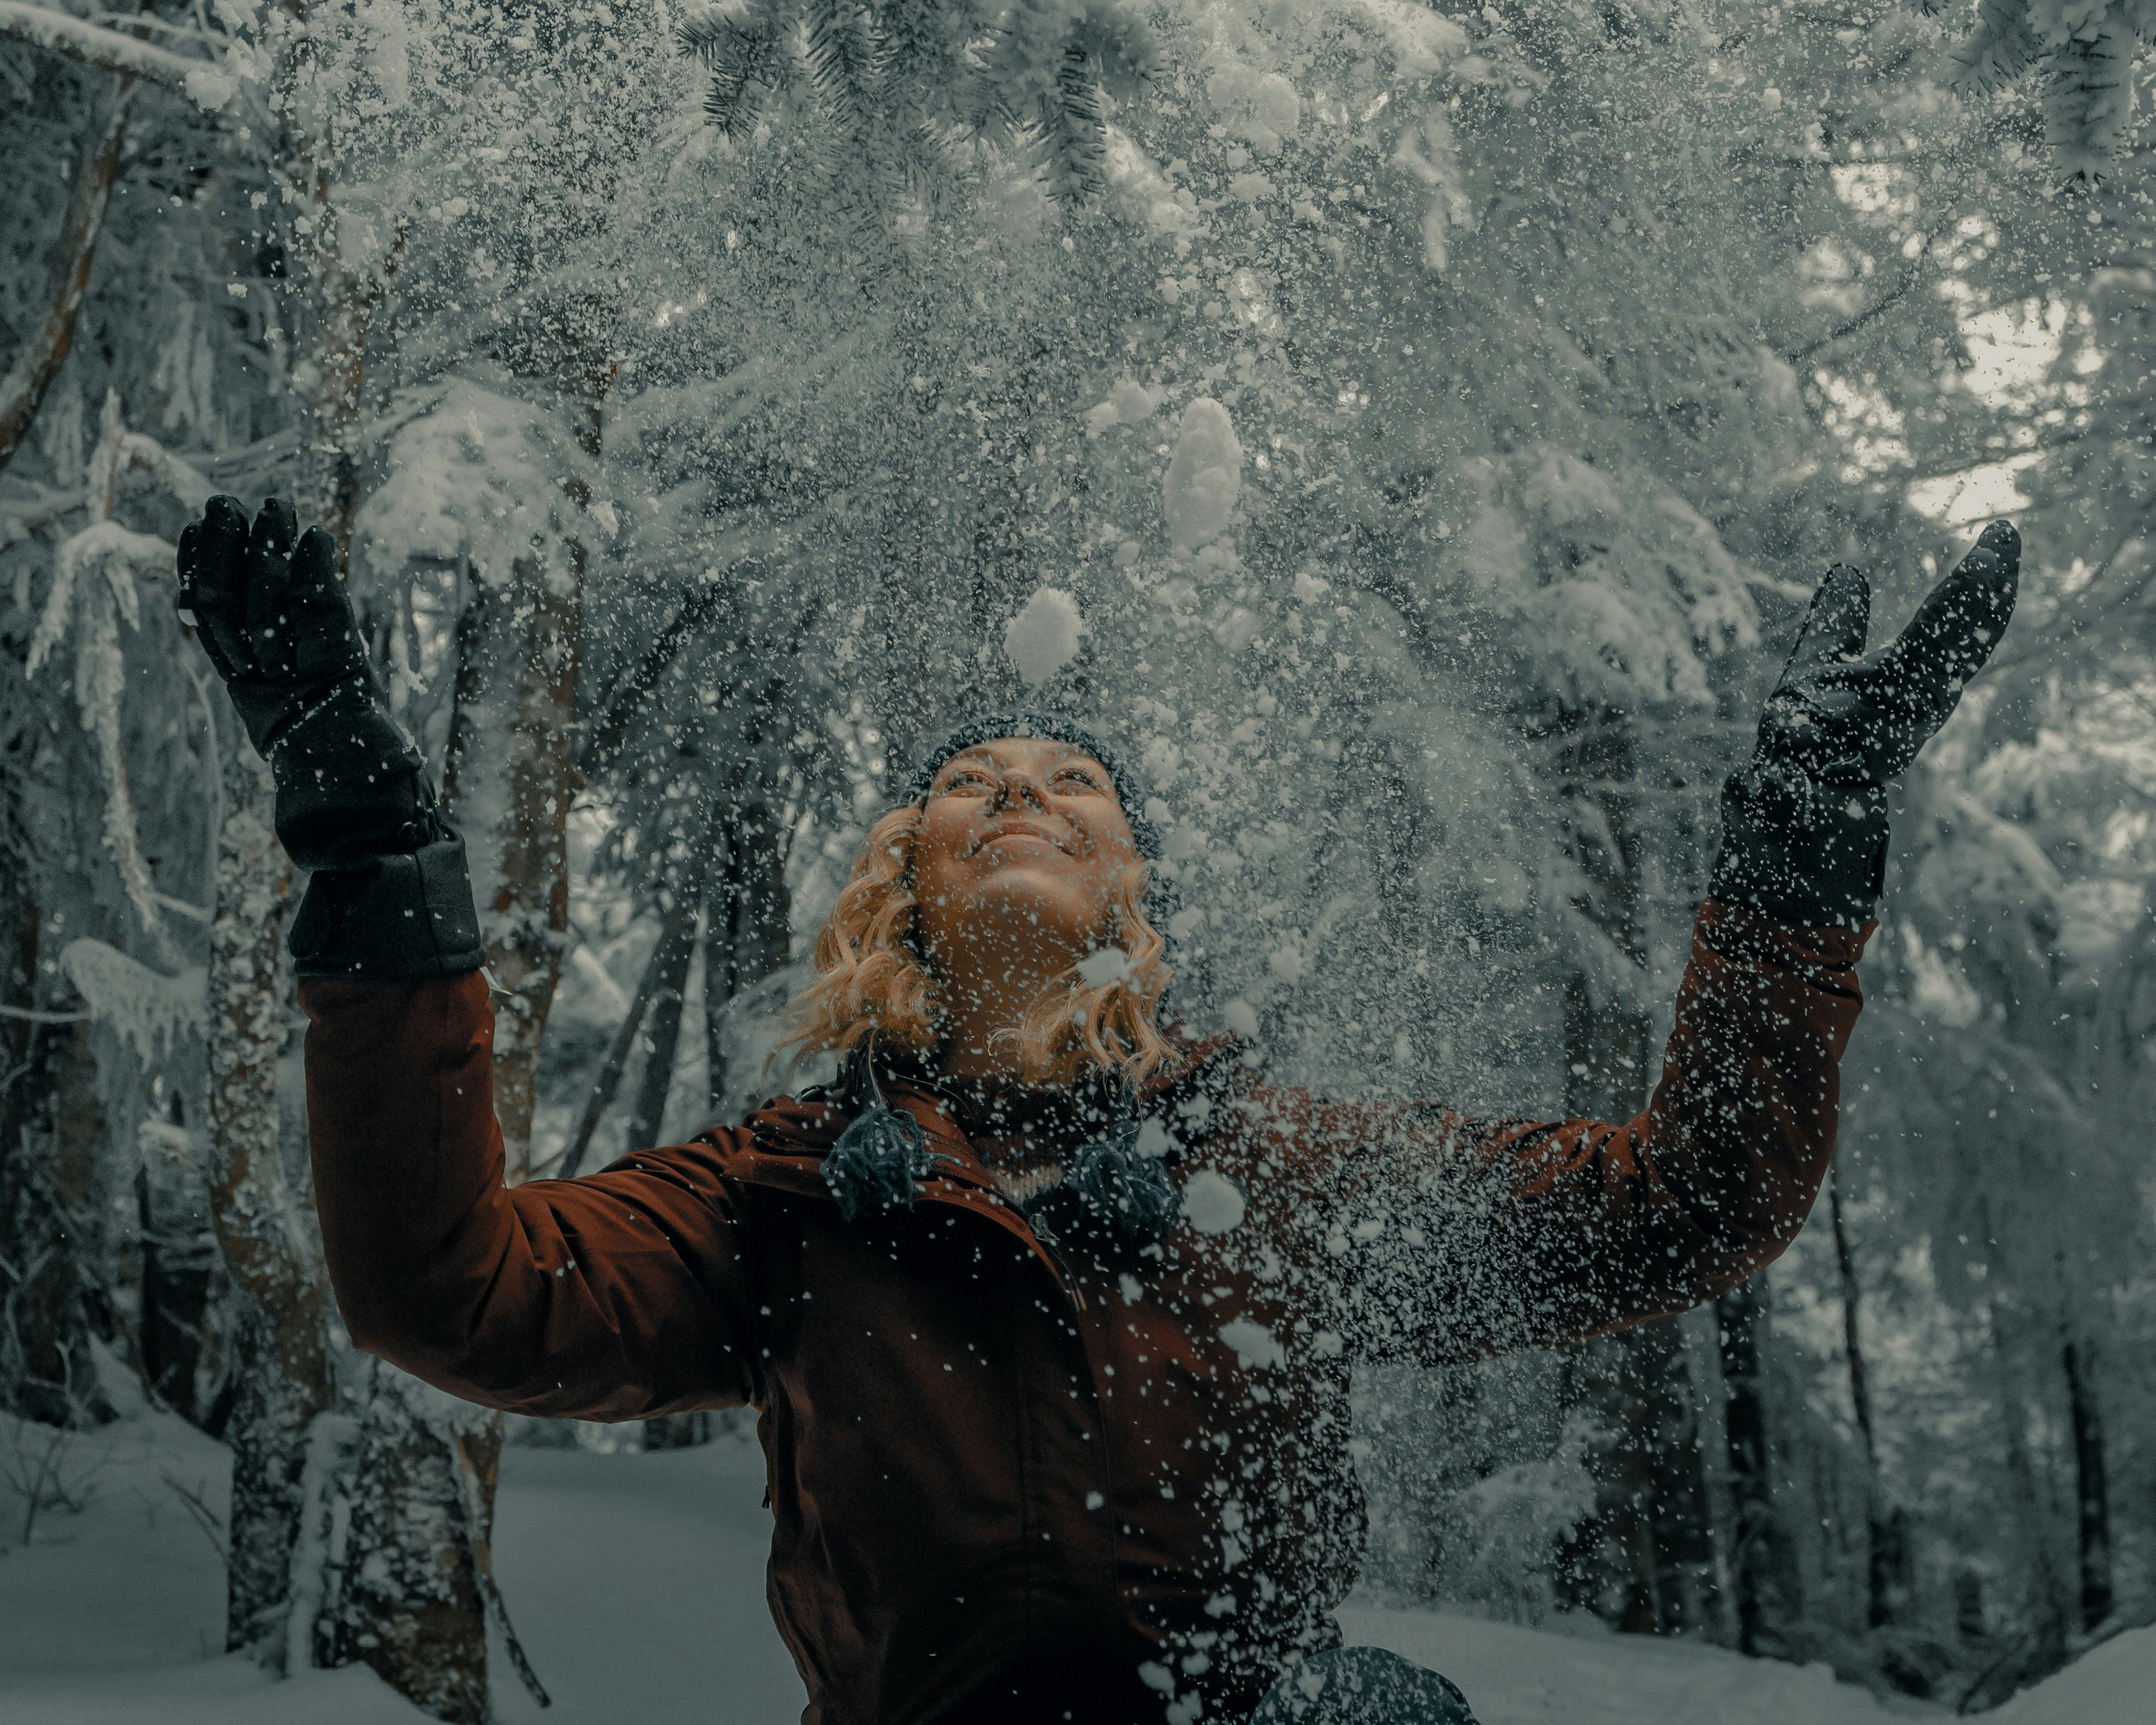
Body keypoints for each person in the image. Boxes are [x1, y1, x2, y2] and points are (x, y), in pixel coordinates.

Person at [174, 497, 2019, 1725]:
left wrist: (1796, 859)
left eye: (1070, 779)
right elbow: (454, 1288)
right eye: (969, 782)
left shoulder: (1286, 1175)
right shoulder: (785, 1195)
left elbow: (1690, 1207)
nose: (1019, 791)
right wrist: (373, 854)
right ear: (905, 886)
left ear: (1135, 891)